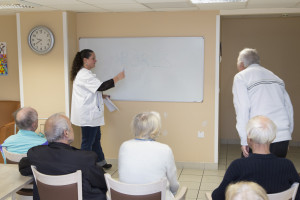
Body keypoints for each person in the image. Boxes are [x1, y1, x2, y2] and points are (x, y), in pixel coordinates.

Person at [19, 113, 107, 200]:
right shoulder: (85, 159)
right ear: (66, 133)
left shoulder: (35, 154)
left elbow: (23, 167)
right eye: (71, 127)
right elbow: (104, 182)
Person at [211, 116, 300, 200]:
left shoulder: (238, 166)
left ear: (249, 139)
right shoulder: (287, 165)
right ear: (273, 138)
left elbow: (218, 196)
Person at [233, 48, 293, 158]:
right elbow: (289, 109)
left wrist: (244, 141)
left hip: (258, 138)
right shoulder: (276, 78)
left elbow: (242, 109)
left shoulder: (241, 77)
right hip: (282, 138)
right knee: (275, 174)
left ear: (241, 64)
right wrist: (287, 135)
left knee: (253, 173)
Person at [70, 49, 125, 169]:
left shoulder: (85, 74)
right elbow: (101, 86)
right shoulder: (84, 74)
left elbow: (92, 91)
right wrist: (117, 78)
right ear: (85, 60)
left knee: (95, 139)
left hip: (91, 115)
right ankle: (84, 167)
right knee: (88, 142)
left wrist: (101, 96)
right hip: (88, 115)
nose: (96, 60)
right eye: (93, 58)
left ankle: (101, 162)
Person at [118, 111, 179, 200]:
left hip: (127, 196)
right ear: (156, 128)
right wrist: (173, 193)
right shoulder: (165, 149)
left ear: (135, 127)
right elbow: (174, 184)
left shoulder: (124, 146)